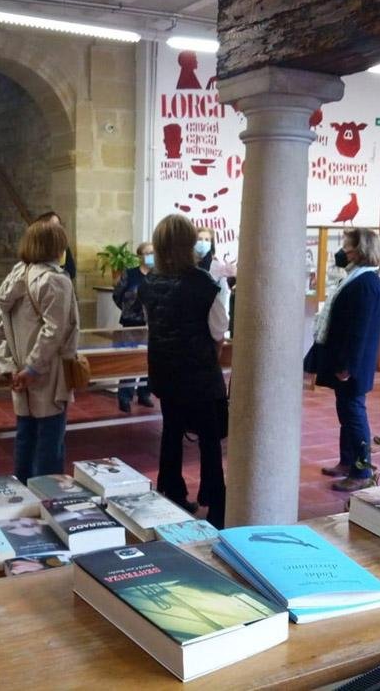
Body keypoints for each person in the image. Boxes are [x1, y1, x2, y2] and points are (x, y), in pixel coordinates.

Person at [139, 215, 228, 527]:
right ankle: (216, 504)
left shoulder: (149, 284)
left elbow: (154, 327)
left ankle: (172, 493)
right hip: (200, 375)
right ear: (190, 244)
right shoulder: (205, 284)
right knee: (209, 439)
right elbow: (219, 332)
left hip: (166, 372)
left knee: (172, 433)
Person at [0, 220, 80, 483]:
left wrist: (8, 366)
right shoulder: (55, 280)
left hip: (19, 369)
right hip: (47, 372)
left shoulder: (16, 275)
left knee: (26, 436)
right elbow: (55, 330)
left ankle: (24, 495)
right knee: (50, 442)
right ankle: (46, 501)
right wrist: (32, 368)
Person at [304, 228, 380, 492]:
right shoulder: (355, 278)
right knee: (345, 411)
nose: (343, 251)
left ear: (361, 251)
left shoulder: (366, 283)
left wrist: (347, 365)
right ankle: (348, 460)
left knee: (354, 414)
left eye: (348, 246)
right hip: (347, 359)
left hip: (353, 363)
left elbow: (358, 329)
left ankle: (361, 470)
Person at [112, 241, 155, 413]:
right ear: (140, 256)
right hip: (131, 323)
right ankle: (125, 396)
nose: (151, 256)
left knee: (149, 361)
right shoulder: (129, 274)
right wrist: (128, 309)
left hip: (152, 325)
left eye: (153, 252)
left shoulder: (157, 275)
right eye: (147, 253)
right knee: (130, 361)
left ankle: (145, 394)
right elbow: (117, 295)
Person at [35, 211, 76, 281]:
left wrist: (61, 268)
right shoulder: (37, 246)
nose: (58, 228)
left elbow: (72, 273)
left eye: (59, 224)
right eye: (54, 224)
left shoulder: (64, 247)